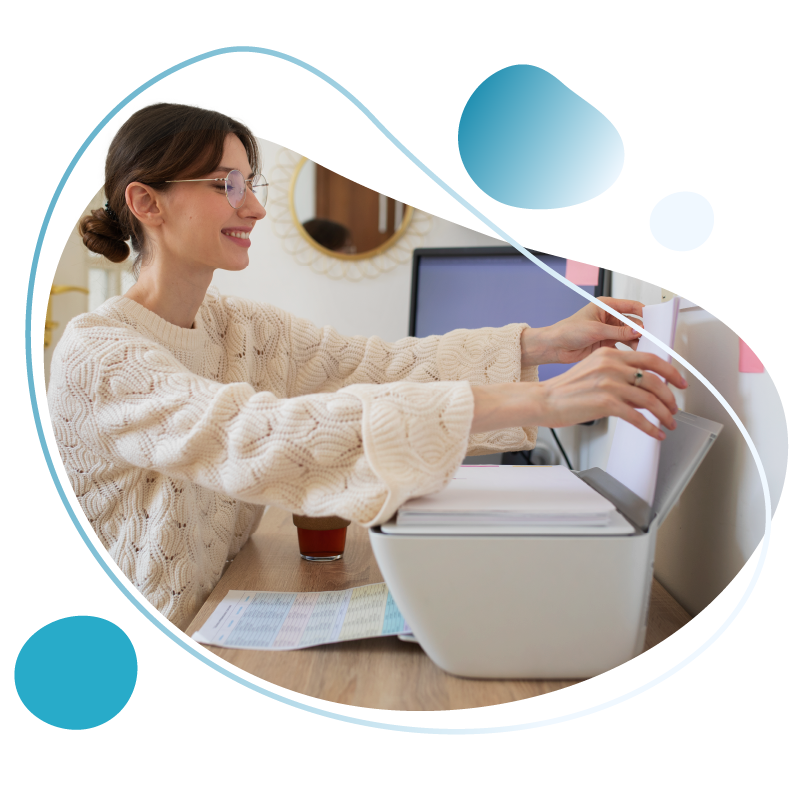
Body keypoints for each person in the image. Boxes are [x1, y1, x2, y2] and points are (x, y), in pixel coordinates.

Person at [48, 100, 686, 630]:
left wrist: (539, 345)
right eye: (227, 185)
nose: (255, 208)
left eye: (250, 184)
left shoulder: (240, 327)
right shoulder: (99, 355)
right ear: (147, 203)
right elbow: (252, 434)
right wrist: (539, 403)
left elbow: (377, 366)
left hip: (217, 618)